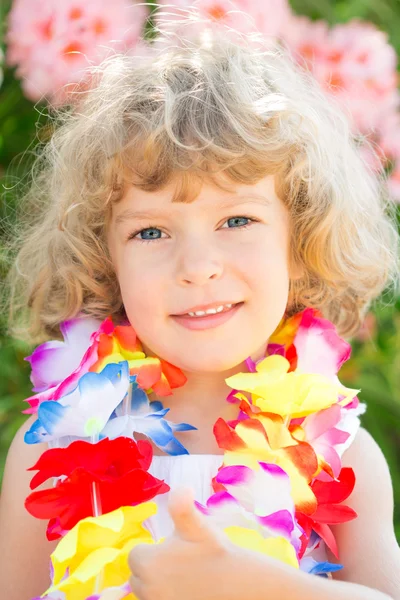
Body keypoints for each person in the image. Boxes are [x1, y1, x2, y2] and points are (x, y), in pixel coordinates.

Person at [1, 7, 400, 600]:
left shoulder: (338, 452)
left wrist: (257, 586)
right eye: (151, 232)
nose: (197, 267)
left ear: (301, 238)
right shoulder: (50, 445)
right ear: (105, 257)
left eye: (237, 219)